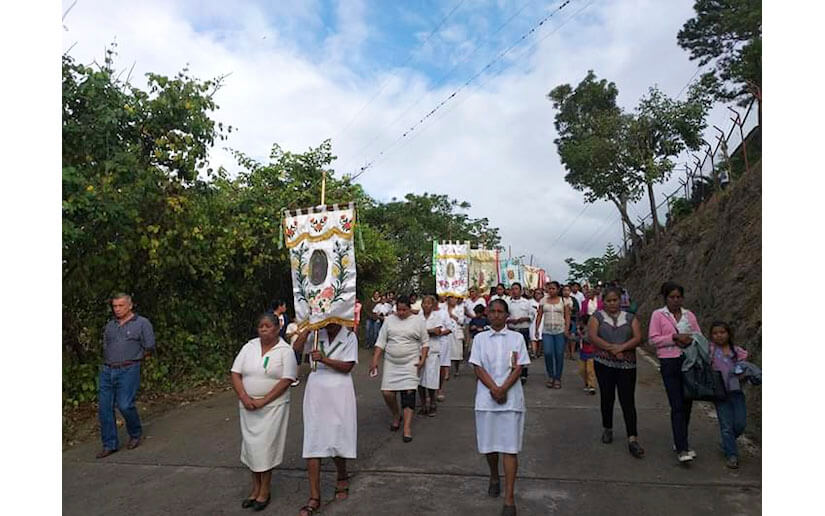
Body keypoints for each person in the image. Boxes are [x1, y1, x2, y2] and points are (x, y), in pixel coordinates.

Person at [469, 299, 530, 516]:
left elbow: (519, 367)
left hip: (511, 400)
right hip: (486, 400)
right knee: (490, 446)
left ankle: (510, 499)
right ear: (487, 314)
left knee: (510, 448)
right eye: (492, 311)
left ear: (507, 315)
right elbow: (478, 368)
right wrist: (494, 389)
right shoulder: (480, 339)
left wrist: (503, 389)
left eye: (500, 312)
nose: (496, 315)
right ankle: (494, 475)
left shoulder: (516, 338)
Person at [231, 313, 297, 511]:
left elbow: (287, 379)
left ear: (277, 328)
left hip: (272, 407)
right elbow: (235, 373)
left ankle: (265, 490)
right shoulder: (249, 347)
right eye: (261, 326)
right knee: (252, 448)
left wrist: (263, 401)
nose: (264, 330)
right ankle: (255, 488)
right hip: (248, 405)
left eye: (268, 326)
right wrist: (244, 396)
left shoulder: (285, 350)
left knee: (265, 448)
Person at [292, 323, 358, 515]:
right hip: (316, 389)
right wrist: (308, 328)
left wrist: (324, 360)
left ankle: (342, 475)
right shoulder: (316, 334)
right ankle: (314, 496)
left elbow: (347, 367)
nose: (328, 323)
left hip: (340, 390)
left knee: (337, 435)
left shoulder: (349, 336)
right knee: (314, 438)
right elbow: (296, 349)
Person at [648, 281, 702, 463]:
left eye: (679, 297)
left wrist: (690, 340)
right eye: (672, 297)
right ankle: (682, 448)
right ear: (666, 298)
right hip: (669, 361)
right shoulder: (658, 315)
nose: (676, 300)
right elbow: (653, 340)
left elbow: (698, 336)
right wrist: (673, 337)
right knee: (677, 404)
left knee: (687, 403)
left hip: (689, 361)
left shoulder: (689, 316)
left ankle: (680, 439)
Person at [96, 293, 156, 459]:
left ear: (130, 306)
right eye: (114, 306)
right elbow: (106, 345)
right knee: (104, 407)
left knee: (124, 404)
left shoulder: (142, 323)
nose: (117, 309)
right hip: (108, 370)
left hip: (129, 368)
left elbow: (149, 346)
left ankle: (135, 433)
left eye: (120, 306)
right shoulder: (110, 326)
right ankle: (109, 444)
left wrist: (136, 359)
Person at [588, 287, 645, 458]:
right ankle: (608, 427)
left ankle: (632, 437)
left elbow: (637, 338)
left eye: (615, 300)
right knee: (607, 396)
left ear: (620, 300)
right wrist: (612, 349)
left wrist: (622, 347)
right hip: (604, 363)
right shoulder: (597, 317)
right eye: (609, 300)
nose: (612, 303)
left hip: (627, 365)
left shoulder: (630, 317)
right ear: (603, 301)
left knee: (627, 400)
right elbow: (593, 337)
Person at [369, 296, 429, 443]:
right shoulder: (389, 320)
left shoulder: (418, 321)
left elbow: (425, 342)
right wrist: (375, 360)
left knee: (409, 393)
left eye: (404, 310)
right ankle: (396, 414)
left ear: (410, 308)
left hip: (410, 362)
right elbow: (381, 341)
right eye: (398, 310)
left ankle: (407, 428)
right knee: (387, 392)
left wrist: (422, 359)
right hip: (392, 362)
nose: (401, 313)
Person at [708, 322, 749, 469]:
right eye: (715, 333)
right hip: (720, 394)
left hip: (736, 392)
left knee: (740, 424)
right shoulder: (711, 351)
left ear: (729, 334)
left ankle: (727, 442)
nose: (719, 336)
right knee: (726, 426)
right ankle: (731, 455)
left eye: (722, 332)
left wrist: (743, 375)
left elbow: (744, 369)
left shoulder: (737, 352)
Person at [536, 281, 570, 389]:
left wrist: (566, 329)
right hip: (547, 331)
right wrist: (536, 329)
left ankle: (557, 378)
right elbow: (539, 315)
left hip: (559, 330)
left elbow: (567, 316)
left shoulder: (563, 301)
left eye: (553, 288)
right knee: (548, 353)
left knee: (559, 354)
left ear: (558, 289)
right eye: (549, 289)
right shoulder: (543, 300)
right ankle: (550, 376)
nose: (551, 291)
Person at [418, 295, 446, 416]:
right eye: (424, 303)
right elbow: (415, 332)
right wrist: (429, 331)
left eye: (429, 303)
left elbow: (438, 331)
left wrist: (425, 332)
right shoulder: (417, 318)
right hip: (419, 351)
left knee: (431, 379)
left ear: (433, 305)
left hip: (433, 351)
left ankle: (432, 403)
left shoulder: (437, 317)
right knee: (419, 380)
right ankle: (423, 404)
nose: (426, 305)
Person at [506, 283, 532, 385]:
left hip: (523, 329)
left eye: (516, 289)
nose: (514, 291)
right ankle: (513, 373)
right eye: (512, 289)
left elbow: (532, 315)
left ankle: (524, 373)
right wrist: (510, 320)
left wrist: (524, 318)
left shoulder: (526, 302)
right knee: (512, 352)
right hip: (512, 329)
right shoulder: (508, 302)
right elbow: (504, 314)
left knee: (523, 351)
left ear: (521, 291)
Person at [446, 296, 466, 376]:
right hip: (447, 332)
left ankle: (456, 370)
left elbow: (461, 321)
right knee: (446, 353)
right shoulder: (443, 309)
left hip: (456, 332)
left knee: (457, 353)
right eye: (451, 299)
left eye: (455, 299)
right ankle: (446, 372)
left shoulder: (460, 308)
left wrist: (452, 315)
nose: (453, 300)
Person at [576, 315, 596, 395]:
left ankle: (592, 386)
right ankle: (587, 382)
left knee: (590, 370)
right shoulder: (581, 330)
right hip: (583, 352)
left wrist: (580, 334)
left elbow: (587, 339)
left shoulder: (590, 330)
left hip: (591, 352)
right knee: (582, 370)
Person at [561, 285, 579, 360]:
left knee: (573, 337)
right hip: (562, 320)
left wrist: (571, 309)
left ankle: (572, 353)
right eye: (564, 290)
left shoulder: (573, 299)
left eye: (568, 290)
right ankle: (567, 353)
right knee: (565, 337)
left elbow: (577, 309)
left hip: (573, 319)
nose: (566, 292)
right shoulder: (560, 299)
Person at [529, 288, 544, 359]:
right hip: (533, 322)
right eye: (536, 293)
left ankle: (539, 352)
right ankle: (534, 353)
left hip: (542, 321)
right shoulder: (530, 302)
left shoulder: (544, 302)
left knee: (540, 338)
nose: (537, 295)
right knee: (533, 337)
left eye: (539, 293)